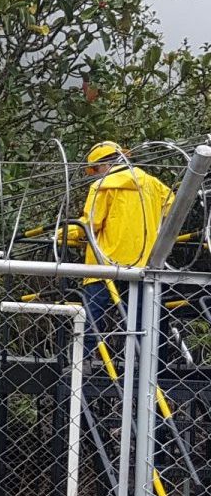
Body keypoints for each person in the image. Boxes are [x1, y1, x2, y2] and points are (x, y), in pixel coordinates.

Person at [62, 140, 174, 350]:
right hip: (144, 263)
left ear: (104, 164)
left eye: (95, 169)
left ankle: (83, 360)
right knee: (143, 316)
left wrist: (63, 234)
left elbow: (91, 224)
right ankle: (146, 366)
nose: (95, 174)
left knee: (92, 312)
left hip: (105, 262)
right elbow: (172, 207)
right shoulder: (152, 183)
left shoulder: (103, 186)